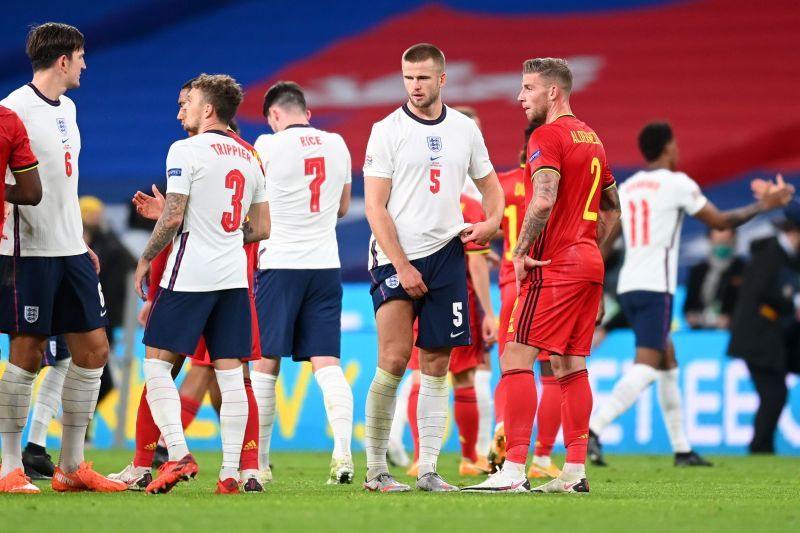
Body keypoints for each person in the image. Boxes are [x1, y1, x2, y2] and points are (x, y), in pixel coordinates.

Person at [588, 122, 794, 467]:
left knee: (668, 363)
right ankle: (592, 430)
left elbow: (605, 241)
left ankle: (682, 449)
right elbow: (722, 222)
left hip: (628, 286)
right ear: (668, 147)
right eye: (676, 145)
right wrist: (765, 206)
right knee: (648, 366)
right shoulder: (677, 184)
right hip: (656, 287)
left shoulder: (631, 185)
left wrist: (595, 283)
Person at [464, 57, 621, 494]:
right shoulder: (593, 138)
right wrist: (588, 246)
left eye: (528, 88)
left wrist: (519, 250)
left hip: (554, 266)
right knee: (571, 364)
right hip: (587, 264)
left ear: (553, 92)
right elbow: (613, 210)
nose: (520, 96)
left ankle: (513, 470)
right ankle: (573, 472)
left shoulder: (546, 135)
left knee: (515, 356)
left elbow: (545, 197)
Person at [362, 42, 503, 493]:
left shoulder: (465, 129)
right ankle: (375, 470)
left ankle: (427, 469)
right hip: (393, 254)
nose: (414, 86)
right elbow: (374, 206)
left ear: (442, 79)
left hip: (447, 254)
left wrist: (492, 222)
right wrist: (401, 265)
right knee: (394, 359)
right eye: (408, 77)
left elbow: (490, 185)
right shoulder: (386, 130)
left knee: (438, 364)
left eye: (422, 77)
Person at [0, 22, 126, 494]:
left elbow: (62, 184)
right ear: (62, 60)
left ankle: (72, 466)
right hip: (27, 252)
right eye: (81, 56)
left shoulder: (69, 109)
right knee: (27, 355)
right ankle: (9, 466)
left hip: (70, 248)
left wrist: (79, 238)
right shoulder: (11, 110)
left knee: (93, 351)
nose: (85, 64)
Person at [134, 73, 269, 495]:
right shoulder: (250, 155)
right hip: (233, 276)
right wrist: (223, 233)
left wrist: (145, 258)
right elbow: (262, 227)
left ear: (207, 109)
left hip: (189, 272)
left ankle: (177, 454)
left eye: (187, 103)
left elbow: (173, 217)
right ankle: (231, 474)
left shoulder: (185, 149)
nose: (182, 111)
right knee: (232, 377)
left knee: (157, 365)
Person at [251, 81, 355, 485]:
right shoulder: (337, 143)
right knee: (327, 363)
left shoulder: (267, 145)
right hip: (325, 265)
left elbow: (252, 207)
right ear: (307, 113)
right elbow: (343, 207)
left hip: (279, 263)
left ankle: (259, 464)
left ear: (274, 116)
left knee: (265, 364)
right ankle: (343, 456)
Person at [404, 193, 495, 478]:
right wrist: (489, 312)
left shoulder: (413, 199)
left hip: (418, 292)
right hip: (459, 299)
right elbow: (478, 265)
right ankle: (468, 458)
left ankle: (420, 459)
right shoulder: (469, 204)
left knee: (421, 375)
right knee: (465, 378)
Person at [489, 122, 562, 480]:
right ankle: (543, 457)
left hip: (507, 284)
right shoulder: (556, 186)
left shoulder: (501, 184)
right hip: (544, 282)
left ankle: (503, 426)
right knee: (550, 374)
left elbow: (483, 225)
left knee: (511, 367)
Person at [728, 201, 800, 454]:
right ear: (794, 232)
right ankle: (760, 447)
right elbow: (758, 295)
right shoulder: (769, 256)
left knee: (774, 394)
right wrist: (791, 301)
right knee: (774, 394)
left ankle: (762, 446)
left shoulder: (787, 257)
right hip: (758, 339)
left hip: (775, 338)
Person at [683, 227, 745, 330]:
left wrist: (731, 318)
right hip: (700, 330)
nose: (722, 246)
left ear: (734, 240)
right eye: (718, 241)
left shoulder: (743, 269)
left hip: (731, 331)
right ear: (710, 240)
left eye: (726, 241)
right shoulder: (698, 270)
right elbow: (688, 306)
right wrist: (691, 316)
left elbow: (747, 305)